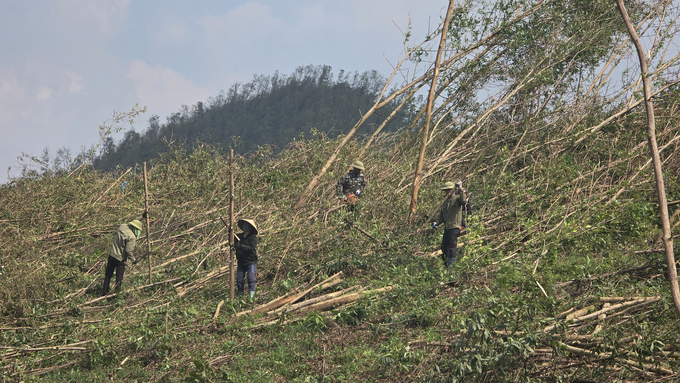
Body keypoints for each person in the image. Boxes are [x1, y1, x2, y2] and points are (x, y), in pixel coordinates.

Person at [432, 181, 468, 268]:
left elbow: (463, 200)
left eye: (448, 190)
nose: (447, 192)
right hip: (447, 228)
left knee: (452, 247)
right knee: (444, 247)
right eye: (445, 191)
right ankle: (445, 265)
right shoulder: (445, 202)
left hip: (454, 227)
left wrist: (460, 188)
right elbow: (441, 216)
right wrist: (436, 223)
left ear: (452, 190)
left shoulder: (457, 199)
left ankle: (451, 267)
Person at [102, 219, 143, 296]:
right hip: (120, 259)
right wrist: (133, 260)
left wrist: (142, 216)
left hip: (112, 254)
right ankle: (117, 295)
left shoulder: (122, 226)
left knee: (108, 275)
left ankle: (104, 292)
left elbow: (134, 222)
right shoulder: (131, 237)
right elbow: (128, 251)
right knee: (119, 279)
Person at [235, 218, 259, 299]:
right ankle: (240, 298)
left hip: (250, 261)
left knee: (250, 279)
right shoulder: (239, 236)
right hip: (241, 262)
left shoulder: (253, 237)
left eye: (246, 225)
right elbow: (232, 242)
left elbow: (251, 248)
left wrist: (240, 246)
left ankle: (252, 297)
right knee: (239, 280)